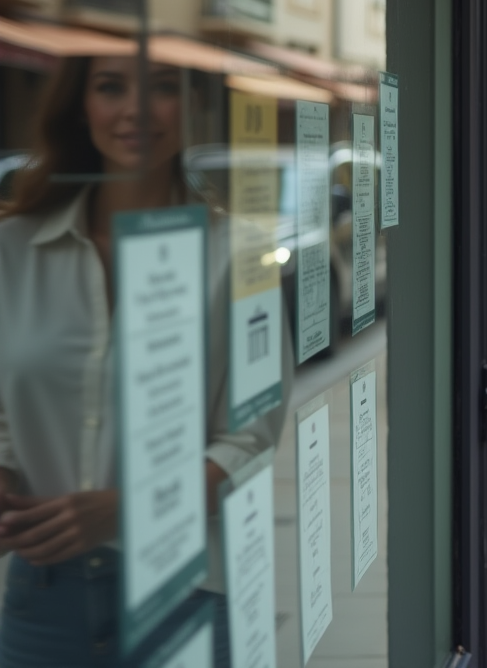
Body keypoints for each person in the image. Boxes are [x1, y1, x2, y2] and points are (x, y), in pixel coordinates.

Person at [0, 54, 288, 667]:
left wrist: (123, 509)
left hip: (185, 591)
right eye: (110, 87)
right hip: (41, 599)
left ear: (191, 108)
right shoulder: (11, 250)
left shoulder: (241, 256)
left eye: (162, 88)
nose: (136, 109)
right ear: (82, 107)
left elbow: (250, 440)